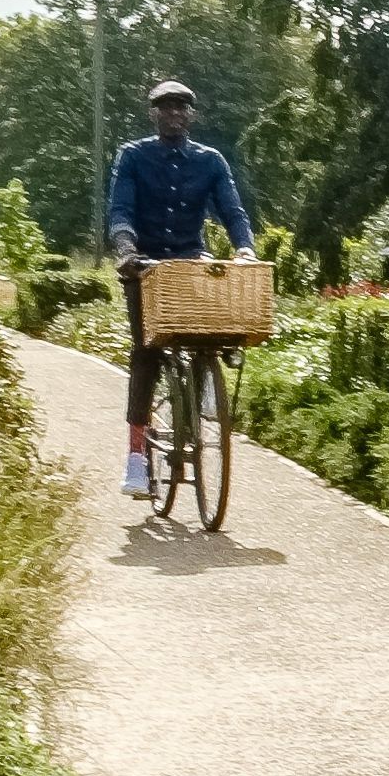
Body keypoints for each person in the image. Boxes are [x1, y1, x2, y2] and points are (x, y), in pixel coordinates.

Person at [103, 77, 258, 500]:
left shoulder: (210, 161)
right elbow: (120, 209)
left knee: (217, 330)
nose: (173, 114)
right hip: (146, 266)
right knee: (146, 354)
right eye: (165, 107)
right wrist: (126, 249)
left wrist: (244, 249)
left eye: (181, 107)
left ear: (191, 115)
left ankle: (207, 383)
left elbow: (232, 209)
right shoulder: (134, 156)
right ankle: (136, 458)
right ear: (154, 114)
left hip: (189, 261)